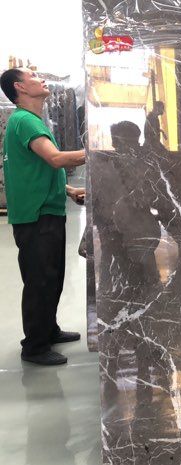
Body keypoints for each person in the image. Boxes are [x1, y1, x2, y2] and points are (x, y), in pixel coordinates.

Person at [1, 67, 86, 365]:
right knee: (40, 280)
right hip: (36, 214)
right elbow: (55, 159)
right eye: (33, 76)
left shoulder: (31, 120)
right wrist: (98, 151)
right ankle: (35, 346)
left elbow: (37, 168)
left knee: (52, 276)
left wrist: (68, 189)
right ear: (19, 87)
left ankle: (48, 330)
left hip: (45, 208)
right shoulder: (25, 120)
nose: (41, 79)